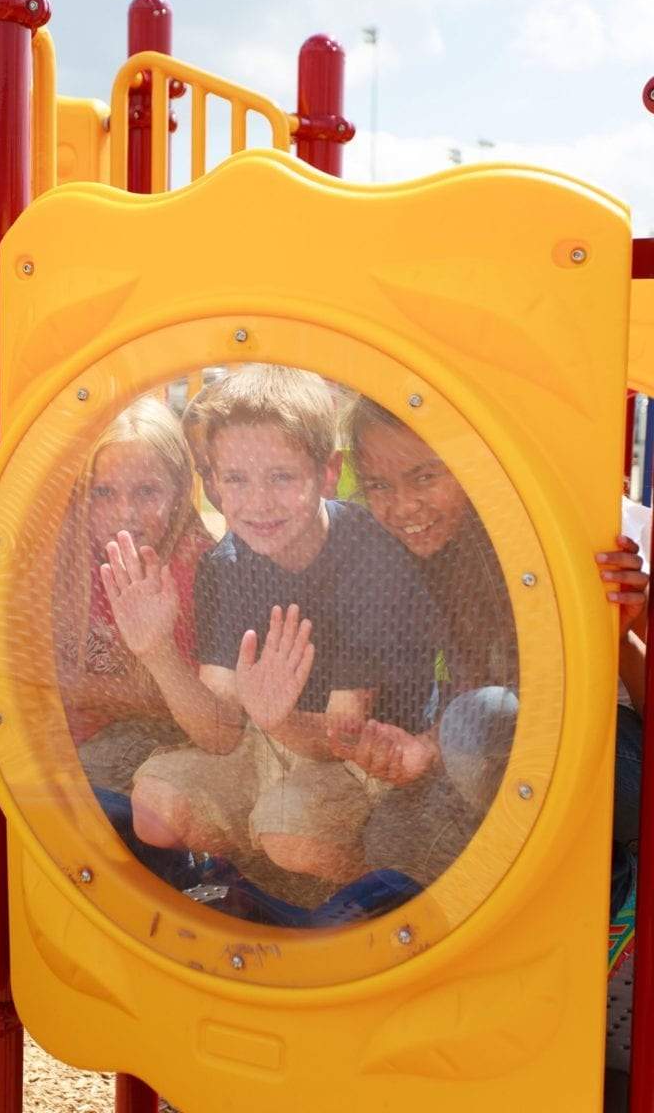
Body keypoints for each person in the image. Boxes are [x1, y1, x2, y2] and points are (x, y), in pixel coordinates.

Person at [101, 365, 442, 902]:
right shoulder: (227, 563)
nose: (256, 503)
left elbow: (343, 737)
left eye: (281, 477)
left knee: (291, 834)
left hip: (364, 762)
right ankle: (248, 885)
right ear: (212, 483)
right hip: (270, 739)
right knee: (157, 807)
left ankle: (382, 898)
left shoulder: (370, 556)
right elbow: (219, 732)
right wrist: (157, 650)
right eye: (236, 479)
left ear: (327, 473)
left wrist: (274, 716)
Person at [338, 395, 647, 911]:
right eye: (379, 486)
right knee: (389, 834)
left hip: (613, 752)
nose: (403, 506)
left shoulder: (556, 539)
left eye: (423, 477)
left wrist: (615, 635)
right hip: (522, 756)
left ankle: (608, 882)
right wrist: (420, 751)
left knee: (475, 728)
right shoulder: (441, 554)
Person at [53, 395, 213, 796]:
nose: (125, 513)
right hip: (66, 731)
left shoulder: (196, 568)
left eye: (146, 492)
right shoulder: (69, 554)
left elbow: (179, 705)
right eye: (104, 493)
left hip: (157, 737)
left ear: (179, 491)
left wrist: (76, 687)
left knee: (80, 785)